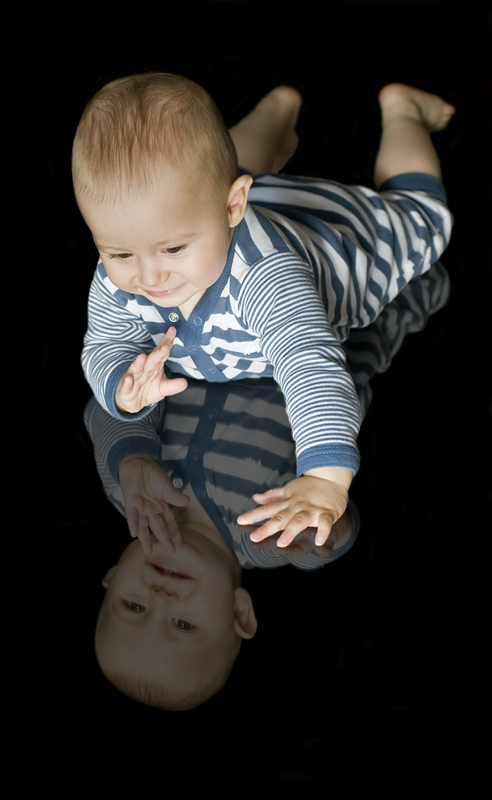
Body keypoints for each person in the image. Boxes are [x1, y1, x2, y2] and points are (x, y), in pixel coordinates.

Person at [74, 73, 455, 552]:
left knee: (424, 219)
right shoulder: (134, 256)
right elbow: (104, 342)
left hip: (346, 232)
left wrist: (325, 478)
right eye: (119, 253)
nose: (149, 277)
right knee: (212, 174)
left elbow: (309, 365)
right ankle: (276, 109)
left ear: (234, 206)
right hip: (235, 201)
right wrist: (120, 387)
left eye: (172, 249)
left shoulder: (266, 278)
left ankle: (402, 111)